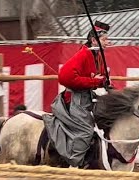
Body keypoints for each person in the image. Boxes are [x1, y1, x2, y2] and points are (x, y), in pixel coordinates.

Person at [43, 20, 111, 168]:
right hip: (75, 100)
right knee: (86, 130)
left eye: (107, 39)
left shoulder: (97, 55)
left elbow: (100, 78)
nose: (108, 42)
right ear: (93, 40)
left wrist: (103, 81)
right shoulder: (84, 53)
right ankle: (73, 162)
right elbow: (65, 77)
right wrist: (93, 82)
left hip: (89, 98)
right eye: (104, 39)